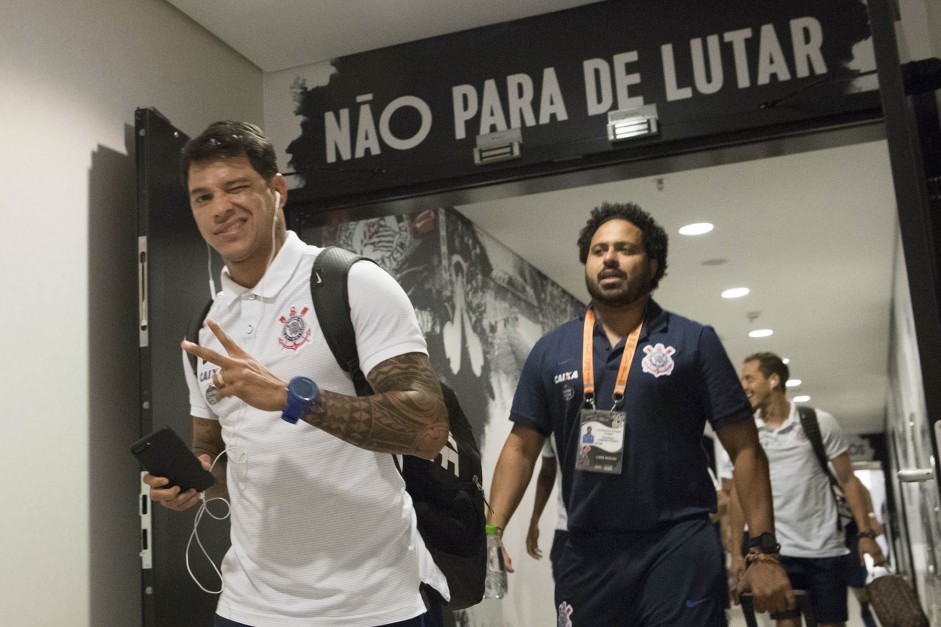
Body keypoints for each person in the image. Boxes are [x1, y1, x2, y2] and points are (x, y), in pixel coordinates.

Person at [142, 121, 450, 627]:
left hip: (371, 606)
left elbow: (427, 429)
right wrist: (192, 483)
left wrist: (293, 398)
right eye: (202, 197)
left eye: (236, 186)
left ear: (276, 190)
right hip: (248, 607)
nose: (220, 208)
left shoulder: (352, 283)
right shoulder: (207, 327)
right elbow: (217, 459)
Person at [486, 202, 794, 626]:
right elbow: (521, 448)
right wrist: (492, 532)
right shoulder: (551, 351)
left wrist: (762, 551)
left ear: (653, 266)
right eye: (598, 250)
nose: (609, 258)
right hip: (586, 549)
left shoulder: (693, 342)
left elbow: (744, 448)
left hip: (677, 543)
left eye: (624, 249)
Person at [731, 352, 886, 627]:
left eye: (749, 378)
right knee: (786, 624)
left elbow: (849, 480)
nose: (743, 385)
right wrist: (735, 554)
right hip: (775, 551)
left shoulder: (818, 422)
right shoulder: (745, 433)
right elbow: (738, 495)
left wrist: (865, 533)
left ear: (774, 380)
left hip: (825, 548)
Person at [525, 437, 568, 584]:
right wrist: (534, 521)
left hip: (622, 534)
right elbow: (548, 471)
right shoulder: (553, 416)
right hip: (568, 529)